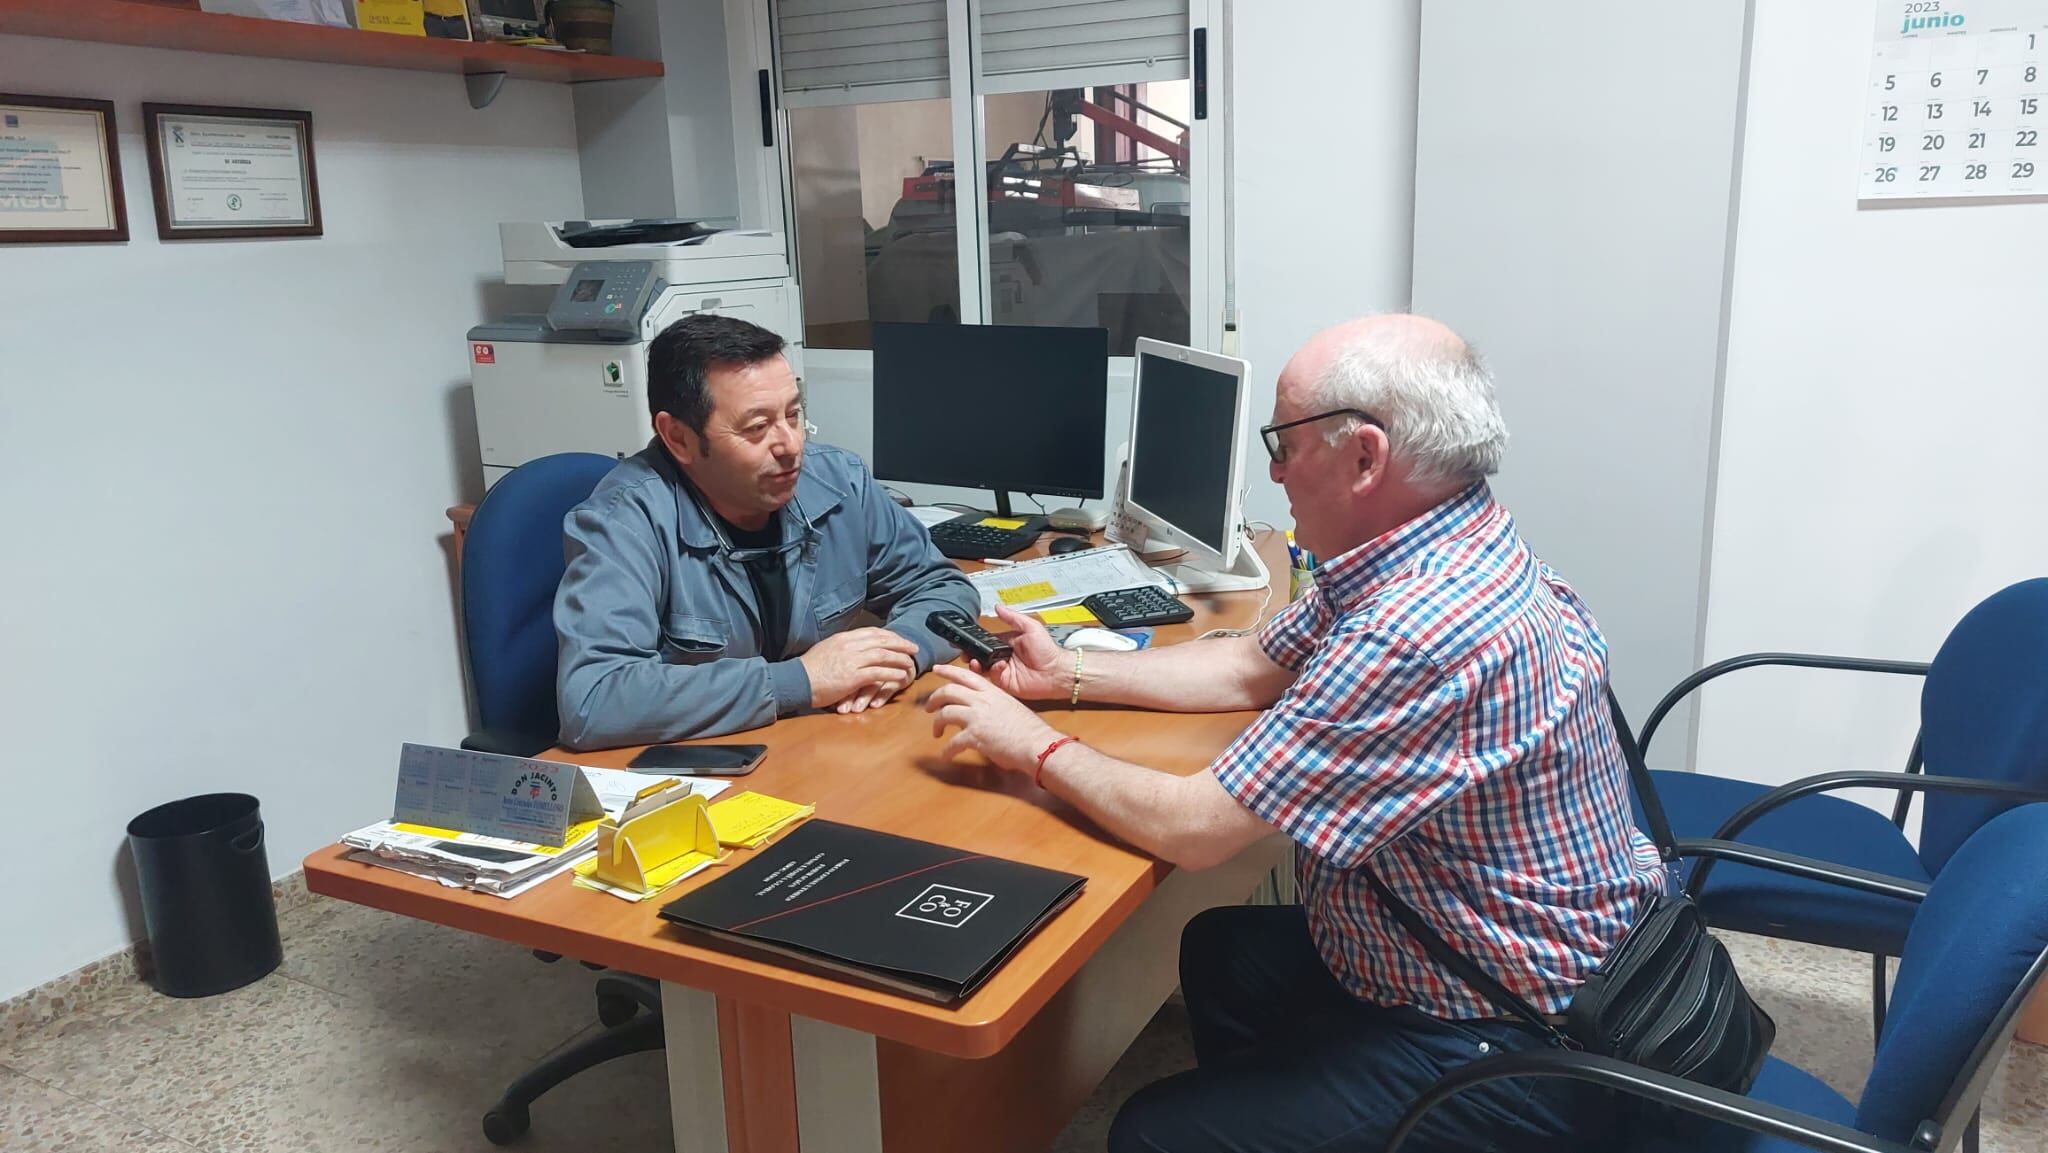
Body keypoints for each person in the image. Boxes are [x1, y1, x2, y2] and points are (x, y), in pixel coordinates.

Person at [924, 315, 1667, 1152]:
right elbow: (1247, 667)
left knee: (1152, 1133)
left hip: (1523, 1038)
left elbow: (1196, 828)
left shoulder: (1415, 629)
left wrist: (1032, 744)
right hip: (1519, 957)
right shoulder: (1435, 545)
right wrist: (1067, 674)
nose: (1272, 470)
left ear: (1365, 457)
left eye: (1285, 442)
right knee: (1220, 951)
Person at [555, 314, 978, 749]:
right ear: (677, 437)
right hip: (707, 779)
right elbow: (593, 700)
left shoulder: (839, 480)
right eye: (757, 428)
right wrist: (799, 681)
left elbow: (942, 586)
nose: (791, 446)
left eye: (793, 415)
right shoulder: (623, 522)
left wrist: (897, 654)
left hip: (818, 751)